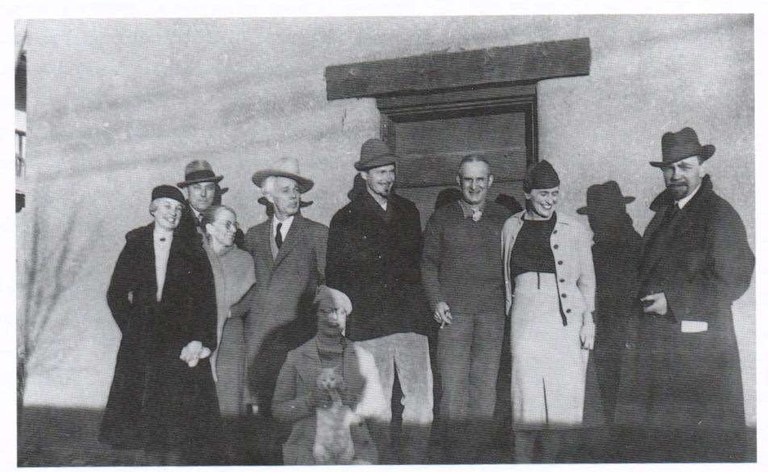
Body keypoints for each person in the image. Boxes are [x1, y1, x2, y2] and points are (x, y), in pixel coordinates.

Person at [614, 127, 754, 461]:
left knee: (697, 446)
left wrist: (674, 301)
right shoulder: (663, 214)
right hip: (659, 351)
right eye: (669, 168)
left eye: (685, 166)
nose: (676, 175)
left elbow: (735, 277)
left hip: (699, 356)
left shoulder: (718, 214)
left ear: (702, 167)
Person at [326, 138, 433, 464]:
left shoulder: (408, 210)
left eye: (390, 171)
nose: (387, 178)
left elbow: (419, 264)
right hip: (369, 325)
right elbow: (335, 277)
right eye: (380, 172)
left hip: (411, 322)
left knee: (419, 398)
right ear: (364, 176)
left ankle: (416, 460)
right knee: (376, 402)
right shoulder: (344, 219)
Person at [100, 185, 221, 465]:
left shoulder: (192, 249)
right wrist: (132, 328)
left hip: (178, 341)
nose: (174, 213)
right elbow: (116, 293)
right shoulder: (136, 243)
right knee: (139, 414)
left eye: (179, 209)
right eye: (167, 206)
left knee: (176, 420)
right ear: (153, 209)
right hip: (141, 341)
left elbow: (206, 300)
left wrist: (201, 340)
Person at [501, 160, 596, 463]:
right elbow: (505, 275)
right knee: (526, 400)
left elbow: (587, 280)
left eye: (554, 194)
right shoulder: (510, 226)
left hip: (564, 317)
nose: (550, 200)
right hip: (525, 314)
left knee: (560, 404)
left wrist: (588, 320)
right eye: (543, 194)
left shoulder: (575, 230)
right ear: (527, 193)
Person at [421, 156, 513, 462]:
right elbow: (428, 263)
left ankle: (479, 456)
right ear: (459, 182)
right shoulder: (442, 218)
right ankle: (455, 458)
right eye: (468, 180)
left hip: (492, 314)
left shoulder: (504, 218)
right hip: (454, 316)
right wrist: (437, 300)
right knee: (453, 388)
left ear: (490, 181)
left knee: (485, 389)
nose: (474, 186)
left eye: (480, 179)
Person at [241, 157, 328, 463]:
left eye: (296, 191)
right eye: (286, 190)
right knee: (260, 412)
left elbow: (327, 288)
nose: (294, 196)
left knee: (297, 413)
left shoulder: (316, 233)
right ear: (269, 196)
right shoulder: (252, 236)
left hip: (297, 337)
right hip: (260, 340)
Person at [272, 286, 389, 465]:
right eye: (326, 311)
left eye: (340, 312)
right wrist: (308, 402)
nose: (333, 318)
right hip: (307, 452)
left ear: (346, 317)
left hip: (355, 453)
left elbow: (379, 407)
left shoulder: (363, 357)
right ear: (315, 315)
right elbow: (278, 410)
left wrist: (356, 402)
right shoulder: (296, 356)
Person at [575, 181, 642, 424]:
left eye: (599, 215)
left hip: (621, 337)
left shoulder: (621, 247)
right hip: (614, 337)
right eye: (593, 216)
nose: (594, 222)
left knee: (618, 404)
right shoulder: (627, 243)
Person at [200, 205, 256, 463]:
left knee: (229, 402)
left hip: (231, 337)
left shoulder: (243, 259)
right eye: (227, 224)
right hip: (198, 334)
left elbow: (251, 296)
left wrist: (230, 313)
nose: (234, 229)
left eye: (235, 224)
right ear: (209, 227)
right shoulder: (195, 257)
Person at [177, 159, 244, 246]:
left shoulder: (228, 221)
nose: (203, 194)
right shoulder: (175, 220)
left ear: (214, 190)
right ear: (186, 191)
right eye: (197, 188)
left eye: (209, 188)